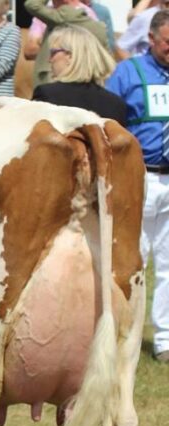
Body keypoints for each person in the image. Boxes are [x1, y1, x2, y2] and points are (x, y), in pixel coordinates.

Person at [107, 9, 169, 362]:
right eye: (167, 44)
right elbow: (109, 121)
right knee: (133, 259)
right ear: (151, 39)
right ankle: (123, 334)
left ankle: (164, 340)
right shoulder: (128, 72)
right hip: (140, 176)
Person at [32, 25, 125, 125]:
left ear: (70, 56)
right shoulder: (116, 104)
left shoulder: (46, 95)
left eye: (53, 52)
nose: (49, 60)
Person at [24, 0, 108, 88]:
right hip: (83, 80)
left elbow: (31, 4)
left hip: (57, 77)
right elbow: (29, 51)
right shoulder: (49, 13)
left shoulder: (66, 14)